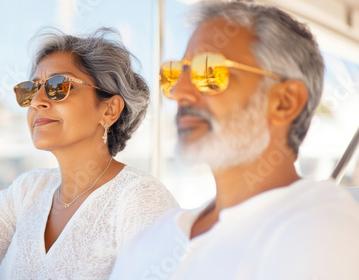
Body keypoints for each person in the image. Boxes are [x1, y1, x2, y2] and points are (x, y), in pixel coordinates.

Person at [110, 2, 359, 279]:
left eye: (208, 71)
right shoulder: (154, 236)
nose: (179, 91)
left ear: (285, 102)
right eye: (174, 74)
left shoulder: (322, 231)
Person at [0, 28, 178, 279]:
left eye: (58, 86)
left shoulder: (140, 199)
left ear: (109, 110)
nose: (37, 101)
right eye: (31, 89)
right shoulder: (28, 190)